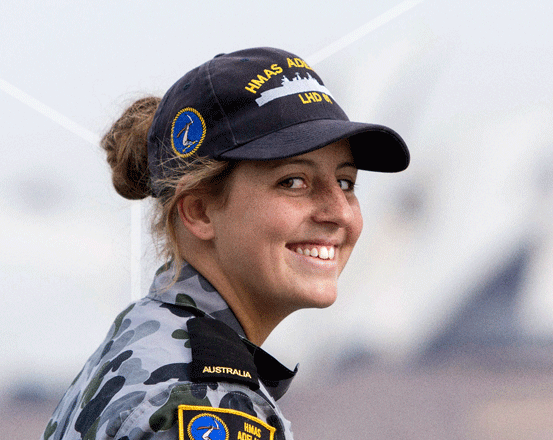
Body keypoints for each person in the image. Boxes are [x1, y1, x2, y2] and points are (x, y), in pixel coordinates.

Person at [41, 47, 409, 440]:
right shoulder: (201, 406)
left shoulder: (143, 339)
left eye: (345, 182)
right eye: (294, 181)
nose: (340, 212)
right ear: (199, 211)